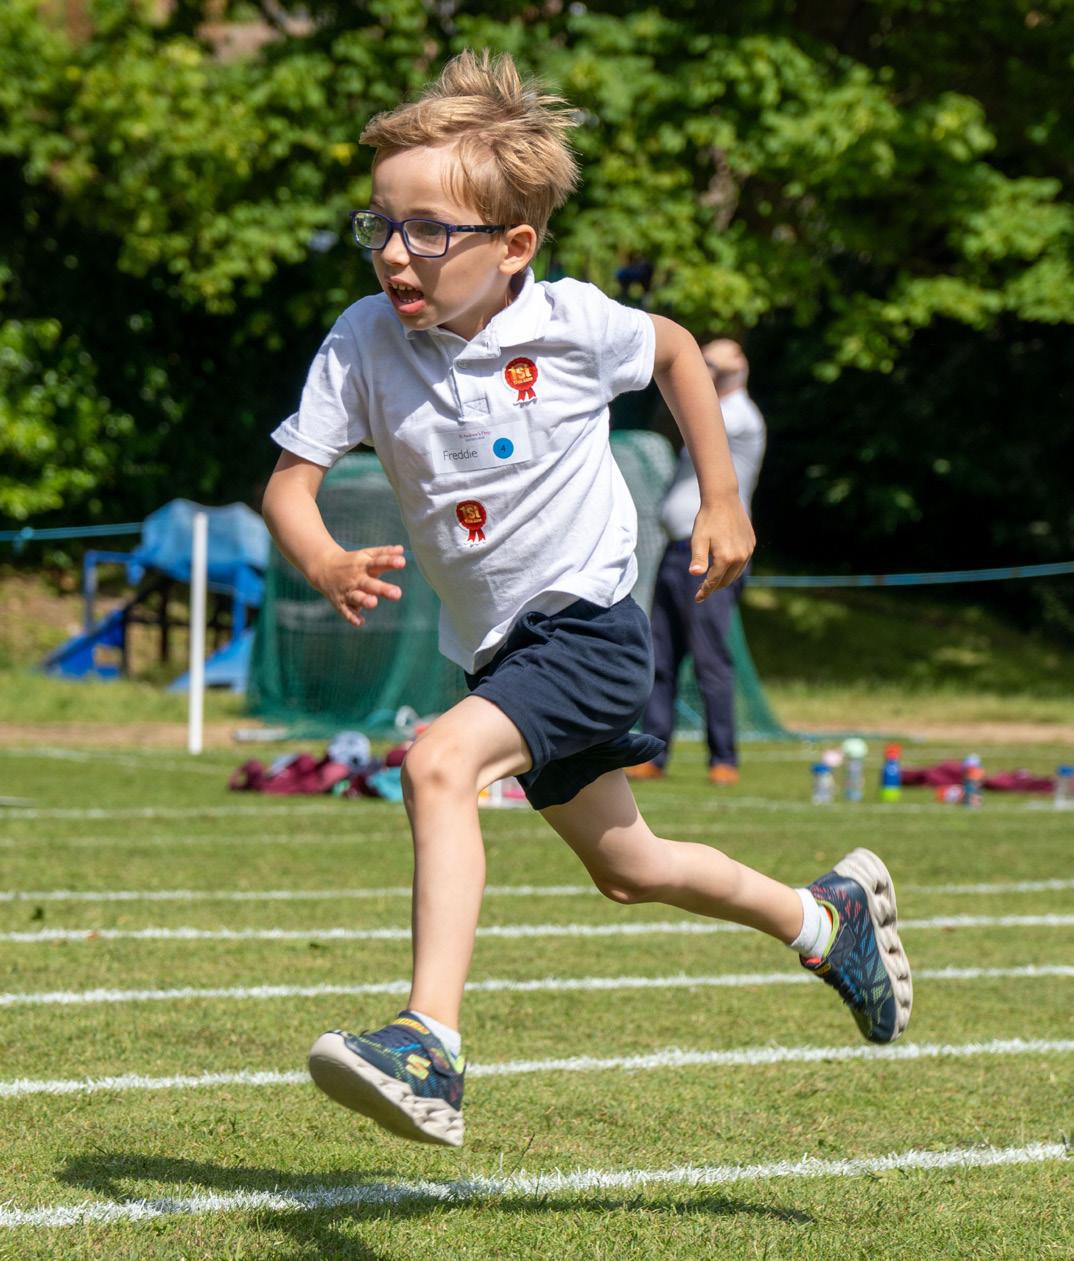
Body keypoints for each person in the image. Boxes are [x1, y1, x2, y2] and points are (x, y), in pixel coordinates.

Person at [261, 50, 912, 1150]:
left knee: (438, 763)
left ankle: (429, 1043)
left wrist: (722, 499)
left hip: (592, 625)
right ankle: (824, 918)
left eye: (429, 230)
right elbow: (290, 485)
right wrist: (323, 556)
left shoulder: (570, 322)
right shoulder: (363, 339)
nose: (395, 253)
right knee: (628, 867)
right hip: (499, 651)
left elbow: (675, 353)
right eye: (380, 224)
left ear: (514, 246)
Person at [627, 339, 765, 786]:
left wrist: (690, 363)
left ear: (737, 367)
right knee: (661, 656)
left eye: (711, 362)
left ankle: (723, 758)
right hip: (677, 551)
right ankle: (654, 753)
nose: (701, 369)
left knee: (710, 658)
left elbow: (699, 408)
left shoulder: (740, 415)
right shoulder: (717, 411)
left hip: (711, 551)